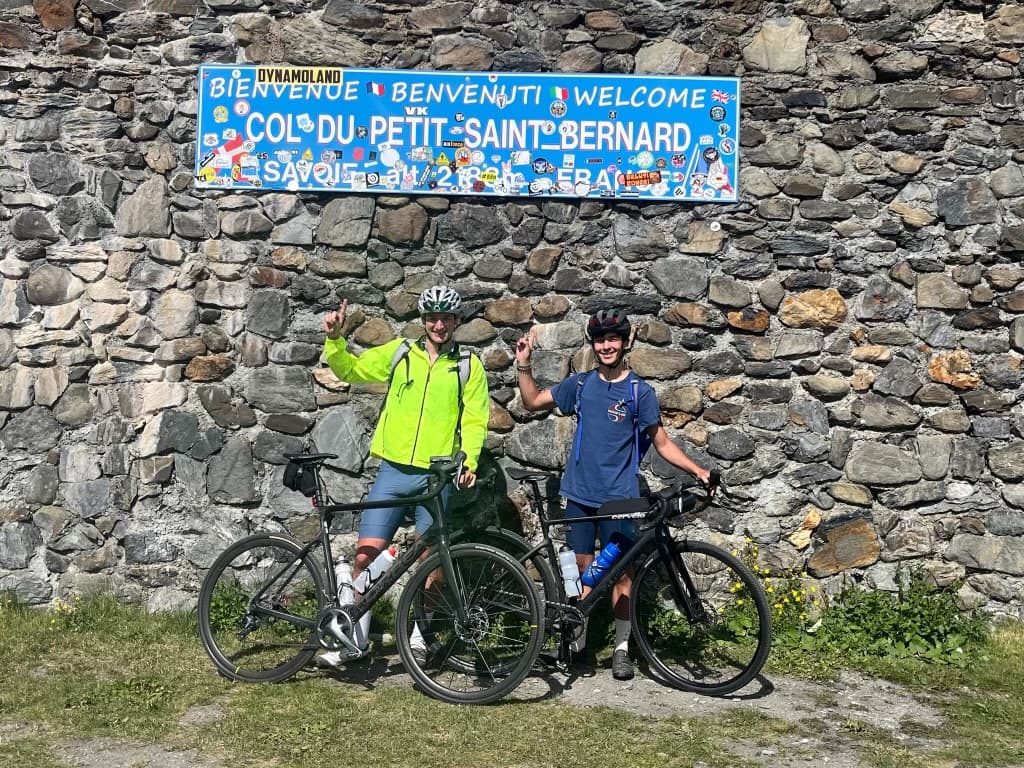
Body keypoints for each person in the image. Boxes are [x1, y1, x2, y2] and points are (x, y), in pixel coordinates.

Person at [515, 308, 713, 681]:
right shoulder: (582, 384)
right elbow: (533, 402)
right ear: (594, 344)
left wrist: (698, 469)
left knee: (622, 573)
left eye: (613, 339)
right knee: (584, 571)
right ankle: (577, 644)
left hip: (620, 499)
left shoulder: (640, 393)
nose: (606, 345)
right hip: (579, 495)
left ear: (624, 343)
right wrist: (524, 365)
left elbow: (662, 444)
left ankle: (622, 649)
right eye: (600, 339)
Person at [318, 286, 490, 665]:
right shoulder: (401, 353)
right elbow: (351, 369)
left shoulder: (467, 366)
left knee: (432, 563)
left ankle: (418, 635)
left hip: (436, 477)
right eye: (432, 317)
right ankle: (353, 641)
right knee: (365, 556)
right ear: (423, 320)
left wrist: (470, 463)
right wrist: (334, 339)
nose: (439, 324)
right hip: (394, 470)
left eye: (446, 318)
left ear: (457, 321)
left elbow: (475, 420)